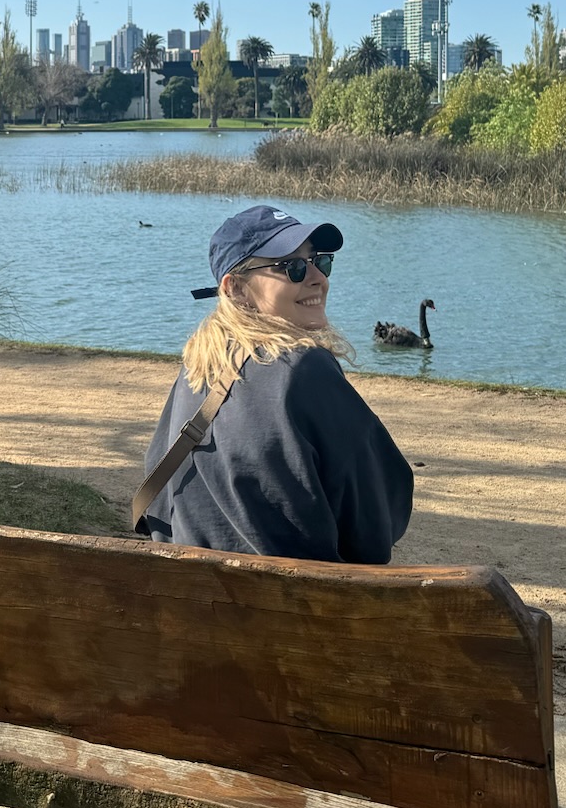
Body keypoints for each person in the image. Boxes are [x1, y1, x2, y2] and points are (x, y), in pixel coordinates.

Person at [134, 204, 413, 563]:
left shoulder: (200, 362)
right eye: (292, 267)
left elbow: (158, 499)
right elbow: (377, 525)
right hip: (297, 609)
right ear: (235, 289)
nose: (317, 278)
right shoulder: (304, 369)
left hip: (197, 603)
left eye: (319, 261)